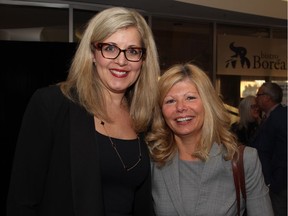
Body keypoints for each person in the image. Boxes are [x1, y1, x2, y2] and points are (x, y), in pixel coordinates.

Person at [7, 7, 160, 216]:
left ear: (143, 60)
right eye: (110, 48)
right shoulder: (52, 105)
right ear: (93, 54)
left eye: (133, 51)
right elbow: (22, 201)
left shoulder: (144, 117)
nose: (121, 60)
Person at [146, 63, 273, 216]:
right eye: (170, 101)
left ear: (208, 103)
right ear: (161, 111)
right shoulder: (152, 160)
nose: (180, 107)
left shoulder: (244, 160)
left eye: (190, 98)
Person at [252, 82, 287, 216]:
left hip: (279, 183)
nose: (256, 98)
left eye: (259, 95)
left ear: (267, 98)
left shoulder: (278, 117)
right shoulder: (274, 116)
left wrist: (273, 181)